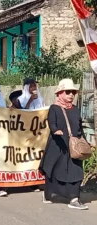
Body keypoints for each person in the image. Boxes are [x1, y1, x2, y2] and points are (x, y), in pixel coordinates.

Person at [39, 78, 88, 210]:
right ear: (60, 93)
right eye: (68, 92)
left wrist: (85, 142)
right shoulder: (54, 108)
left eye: (73, 92)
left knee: (76, 171)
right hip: (58, 146)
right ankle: (48, 194)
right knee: (55, 170)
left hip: (74, 146)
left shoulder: (75, 109)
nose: (71, 95)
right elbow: (51, 122)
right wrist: (56, 130)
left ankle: (74, 198)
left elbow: (79, 126)